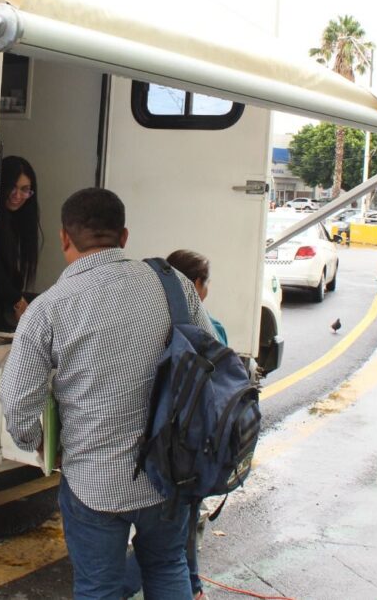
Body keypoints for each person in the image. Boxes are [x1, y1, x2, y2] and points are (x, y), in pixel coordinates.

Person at [0, 188, 214, 599]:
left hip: (92, 482)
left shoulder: (48, 308)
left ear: (64, 238)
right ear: (125, 235)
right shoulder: (175, 285)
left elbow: (17, 404)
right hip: (168, 472)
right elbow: (208, 359)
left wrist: (44, 446)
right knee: (169, 566)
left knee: (99, 588)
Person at [122, 249, 227, 599]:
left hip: (147, 448)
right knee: (173, 542)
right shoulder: (209, 329)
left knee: (168, 543)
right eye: (206, 284)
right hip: (187, 450)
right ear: (195, 285)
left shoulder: (140, 323)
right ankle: (189, 586)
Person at [0, 156, 41, 332]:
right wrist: (17, 300)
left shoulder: (19, 221)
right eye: (12, 188)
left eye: (25, 190)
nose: (17, 196)